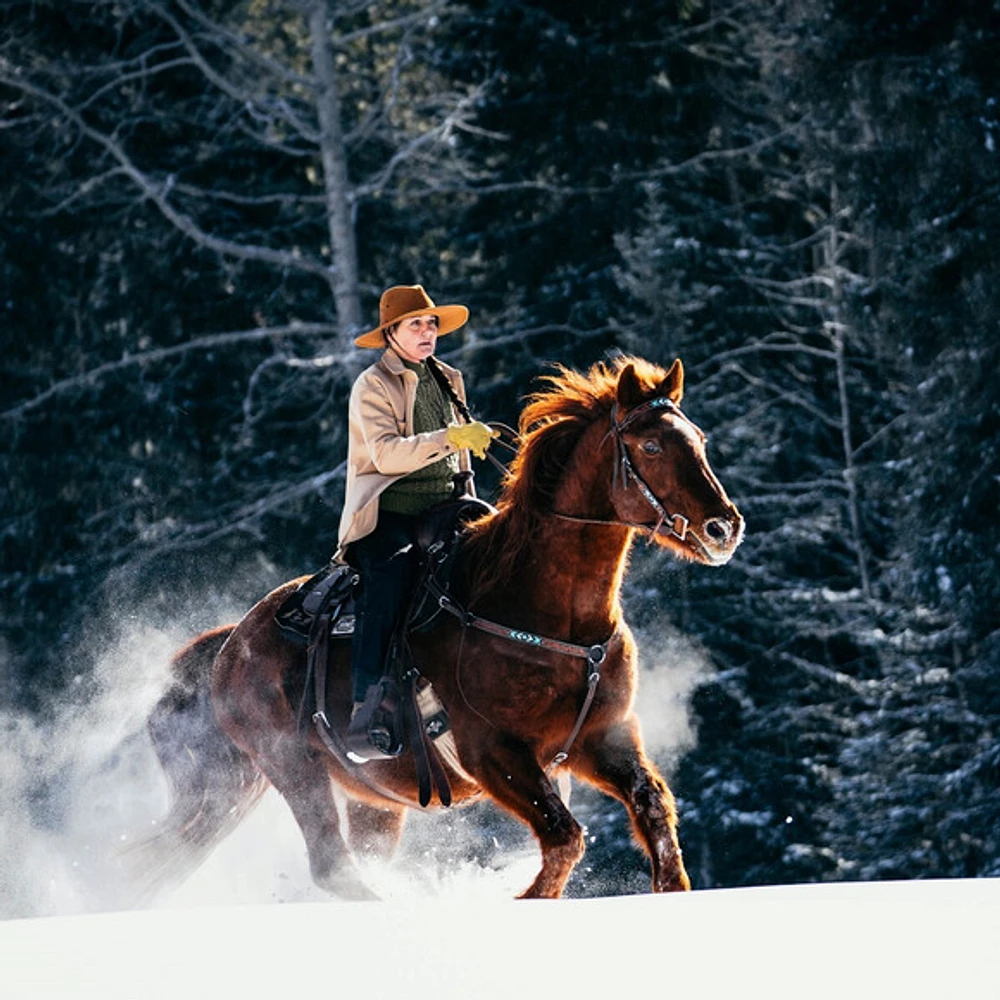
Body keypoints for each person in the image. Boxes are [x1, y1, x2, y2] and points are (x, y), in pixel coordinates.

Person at [336, 284, 495, 759]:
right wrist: (452, 437)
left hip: (447, 506)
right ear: (392, 333)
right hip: (388, 512)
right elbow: (383, 453)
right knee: (389, 579)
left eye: (431, 325)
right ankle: (368, 705)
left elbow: (455, 450)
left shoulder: (448, 377)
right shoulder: (372, 384)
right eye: (416, 325)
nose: (428, 333)